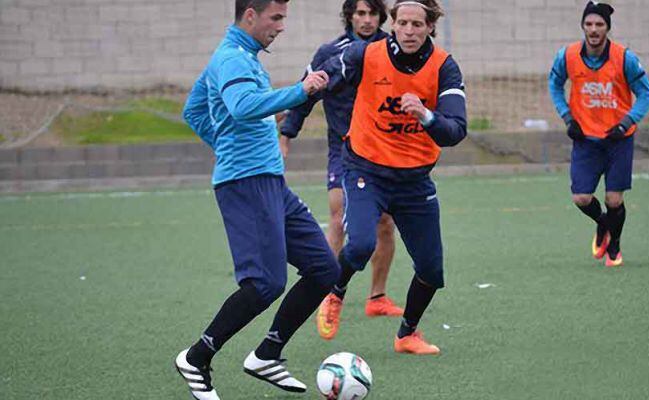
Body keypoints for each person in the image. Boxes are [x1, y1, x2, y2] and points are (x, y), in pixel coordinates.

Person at [174, 1, 340, 398]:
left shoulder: (239, 56)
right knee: (264, 284)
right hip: (245, 184)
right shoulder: (231, 59)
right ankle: (196, 357)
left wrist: (226, 142)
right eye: (276, 18)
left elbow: (193, 111)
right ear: (250, 15)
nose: (281, 27)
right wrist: (301, 90)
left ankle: (267, 355)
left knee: (324, 269)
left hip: (270, 183)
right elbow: (242, 107)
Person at [313, 0, 467, 355]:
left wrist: (427, 115)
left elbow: (455, 130)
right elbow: (325, 78)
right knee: (362, 242)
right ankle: (335, 293)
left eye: (418, 24)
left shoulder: (445, 66)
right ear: (393, 25)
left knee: (431, 269)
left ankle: (407, 334)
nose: (410, 31)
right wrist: (302, 97)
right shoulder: (365, 54)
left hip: (414, 180)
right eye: (404, 23)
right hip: (366, 169)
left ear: (430, 27)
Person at [280, 0, 404, 324]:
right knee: (338, 217)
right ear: (349, 16)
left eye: (371, 14)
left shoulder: (391, 51)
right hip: (344, 147)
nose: (365, 20)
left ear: (380, 17)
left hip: (383, 149)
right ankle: (324, 292)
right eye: (359, 13)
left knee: (385, 223)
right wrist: (286, 134)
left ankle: (377, 296)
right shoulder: (330, 53)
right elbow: (306, 92)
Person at [548, 1, 649, 267]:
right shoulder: (568, 56)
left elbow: (646, 93)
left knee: (614, 199)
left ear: (607, 28)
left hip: (618, 139)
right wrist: (567, 117)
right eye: (589, 24)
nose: (593, 29)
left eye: (599, 24)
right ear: (583, 26)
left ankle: (615, 247)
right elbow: (554, 84)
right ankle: (604, 223)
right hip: (585, 139)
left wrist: (626, 121)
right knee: (581, 198)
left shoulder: (624, 58)